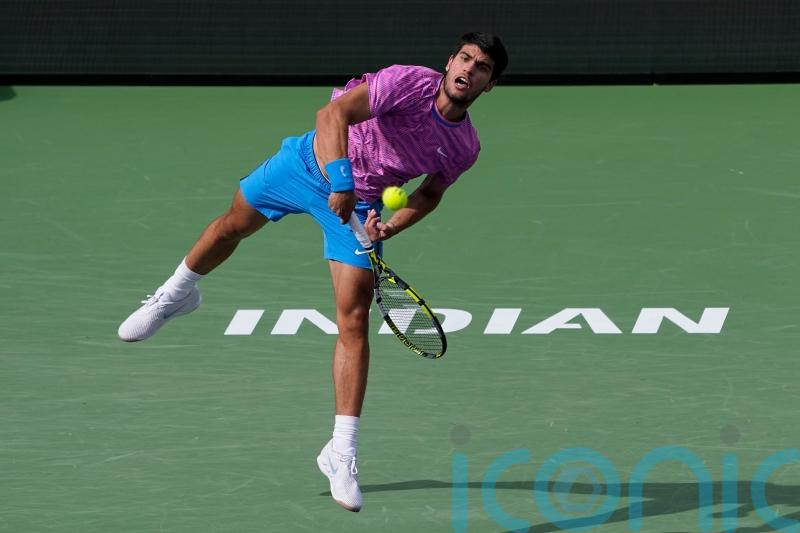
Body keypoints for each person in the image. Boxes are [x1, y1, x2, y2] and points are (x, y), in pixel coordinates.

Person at [118, 31, 508, 512]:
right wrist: (340, 178)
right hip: (309, 163)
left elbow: (429, 193)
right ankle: (176, 294)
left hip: (359, 204)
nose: (469, 69)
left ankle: (341, 451)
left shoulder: (464, 147)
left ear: (489, 85)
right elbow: (332, 114)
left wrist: (389, 226)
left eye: (483, 67)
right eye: (465, 58)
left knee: (353, 320)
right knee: (231, 227)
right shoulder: (408, 83)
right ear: (449, 62)